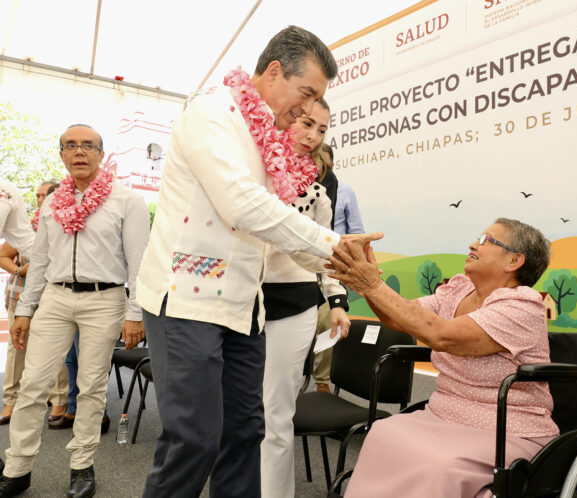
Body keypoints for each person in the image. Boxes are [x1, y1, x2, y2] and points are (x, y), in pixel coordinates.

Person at [135, 26, 381, 498]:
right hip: (188, 301)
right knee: (193, 439)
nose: (309, 110)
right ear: (272, 72)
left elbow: (280, 231)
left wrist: (342, 267)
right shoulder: (212, 113)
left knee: (247, 434)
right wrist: (334, 246)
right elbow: (242, 205)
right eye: (306, 93)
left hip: (247, 309)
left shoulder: (270, 136)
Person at [329, 218, 559, 498]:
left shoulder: (521, 305)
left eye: (487, 240)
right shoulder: (458, 290)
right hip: (443, 414)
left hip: (506, 429)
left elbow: (443, 336)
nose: (473, 244)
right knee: (382, 434)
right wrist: (366, 282)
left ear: (514, 261)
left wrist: (372, 283)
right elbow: (398, 317)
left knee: (440, 464)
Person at [0, 124, 150, 498]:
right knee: (33, 384)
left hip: (105, 299)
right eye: (71, 146)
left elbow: (139, 263)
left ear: (101, 153)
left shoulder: (126, 200)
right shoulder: (52, 202)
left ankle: (81, 466)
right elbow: (40, 260)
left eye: (88, 145)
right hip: (55, 296)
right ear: (62, 154)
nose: (79, 152)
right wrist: (25, 310)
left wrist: (136, 313)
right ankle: (17, 467)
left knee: (91, 386)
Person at [260, 98, 350, 498]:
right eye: (306, 124)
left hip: (294, 304)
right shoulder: (250, 176)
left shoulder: (318, 194)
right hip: (237, 301)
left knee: (277, 413)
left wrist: (337, 303)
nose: (312, 135)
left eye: (322, 130)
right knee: (237, 410)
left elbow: (325, 257)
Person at [0, 181, 69, 426]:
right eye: (38, 195)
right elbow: (3, 256)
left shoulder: (68, 224)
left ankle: (59, 399)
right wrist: (21, 270)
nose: (40, 199)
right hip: (19, 294)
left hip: (52, 296)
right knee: (16, 351)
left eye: (45, 195)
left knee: (56, 350)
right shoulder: (29, 224)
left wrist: (43, 265)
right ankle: (11, 400)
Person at [313, 144, 364, 391]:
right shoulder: (297, 189)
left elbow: (356, 232)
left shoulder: (345, 192)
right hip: (301, 266)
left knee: (327, 322)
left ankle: (322, 383)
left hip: (331, 269)